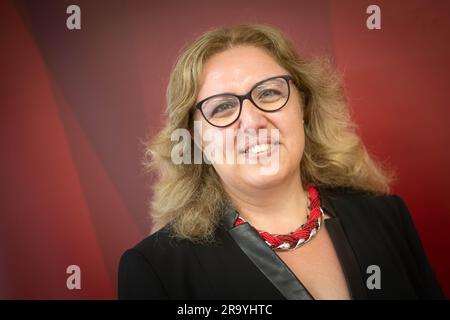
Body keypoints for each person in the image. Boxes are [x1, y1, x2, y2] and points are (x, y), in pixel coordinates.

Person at [118, 24, 444, 299]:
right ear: (196, 140)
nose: (253, 120)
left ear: (303, 106)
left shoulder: (388, 218)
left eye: (270, 93)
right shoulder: (157, 271)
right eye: (221, 108)